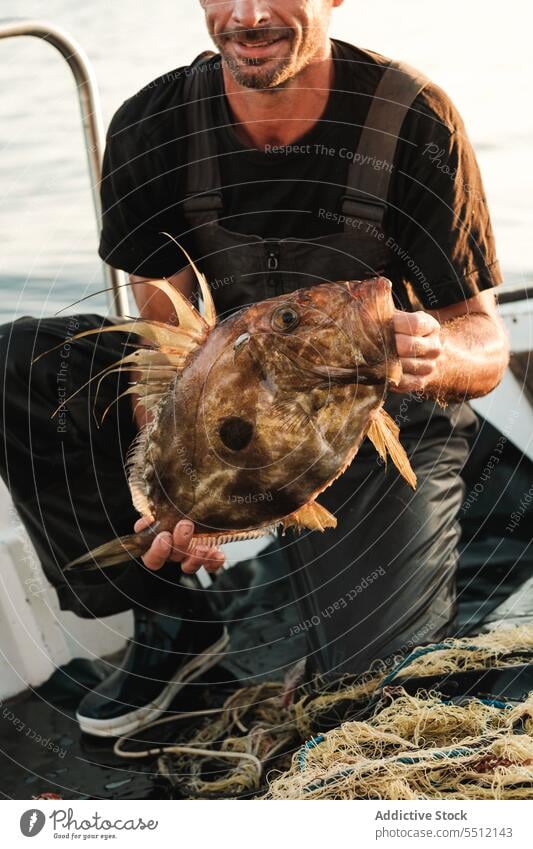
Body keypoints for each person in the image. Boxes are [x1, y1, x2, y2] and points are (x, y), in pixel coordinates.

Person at [0, 0, 509, 738]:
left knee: (367, 705)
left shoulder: (411, 116)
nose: (246, 14)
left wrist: (434, 350)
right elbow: (163, 322)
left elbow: (484, 341)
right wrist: (167, 472)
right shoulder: (153, 124)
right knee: (23, 359)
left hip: (373, 415)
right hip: (223, 382)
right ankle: (171, 614)